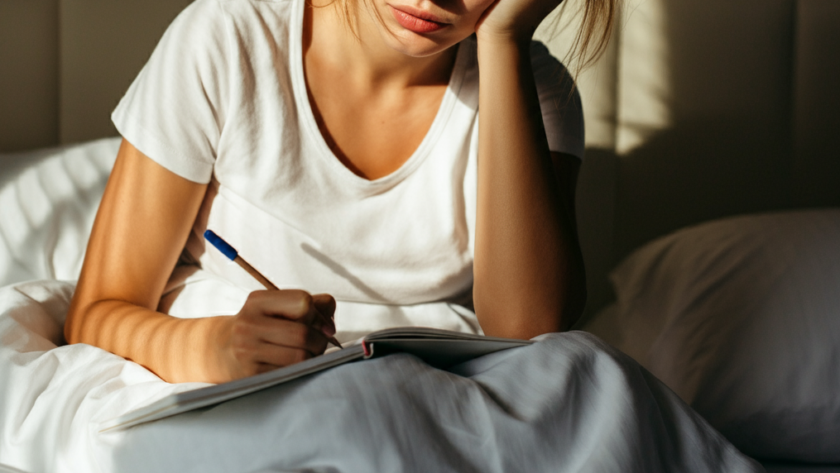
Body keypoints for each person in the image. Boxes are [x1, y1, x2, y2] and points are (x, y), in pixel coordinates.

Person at [64, 0, 616, 384]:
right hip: (233, 379)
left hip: (424, 395)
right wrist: (215, 348)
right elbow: (95, 315)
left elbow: (530, 331)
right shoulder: (228, 37)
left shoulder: (532, 89)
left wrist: (503, 40)